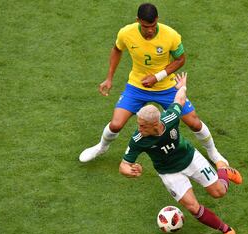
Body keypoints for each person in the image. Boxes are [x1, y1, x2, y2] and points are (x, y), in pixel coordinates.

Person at [79, 3, 228, 168]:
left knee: (194, 122)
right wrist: (109, 78)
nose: (149, 30)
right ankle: (101, 147)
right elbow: (117, 49)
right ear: (138, 21)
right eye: (145, 26)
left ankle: (213, 153)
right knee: (116, 124)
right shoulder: (126, 33)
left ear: (157, 20)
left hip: (166, 88)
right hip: (137, 86)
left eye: (152, 26)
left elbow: (181, 60)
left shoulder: (171, 35)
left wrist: (157, 77)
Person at [119, 72, 242, 234]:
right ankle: (226, 229)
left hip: (190, 158)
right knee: (192, 207)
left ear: (155, 124)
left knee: (219, 192)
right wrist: (130, 171)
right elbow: (123, 165)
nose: (138, 129)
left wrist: (182, 86)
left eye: (142, 126)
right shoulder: (138, 139)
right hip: (169, 173)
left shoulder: (170, 118)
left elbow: (179, 100)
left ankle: (223, 170)